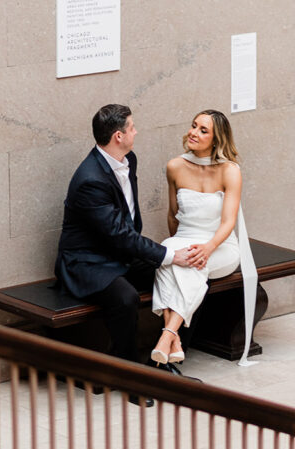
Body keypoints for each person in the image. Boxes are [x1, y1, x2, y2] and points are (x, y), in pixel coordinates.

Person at [55, 105, 193, 373]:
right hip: (88, 262)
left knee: (181, 276)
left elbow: (126, 229)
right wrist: (169, 254)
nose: (136, 131)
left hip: (121, 253)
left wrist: (170, 261)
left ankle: (165, 354)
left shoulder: (129, 160)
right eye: (132, 127)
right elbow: (119, 234)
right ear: (119, 136)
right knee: (126, 298)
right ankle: (129, 374)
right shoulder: (90, 180)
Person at [151, 110, 258, 371]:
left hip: (220, 246)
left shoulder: (230, 171)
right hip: (185, 239)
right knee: (168, 253)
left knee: (191, 264)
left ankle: (167, 336)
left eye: (203, 130)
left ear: (216, 138)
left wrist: (208, 248)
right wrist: (179, 244)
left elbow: (228, 222)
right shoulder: (175, 166)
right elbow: (172, 214)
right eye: (193, 126)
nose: (194, 133)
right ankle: (173, 342)